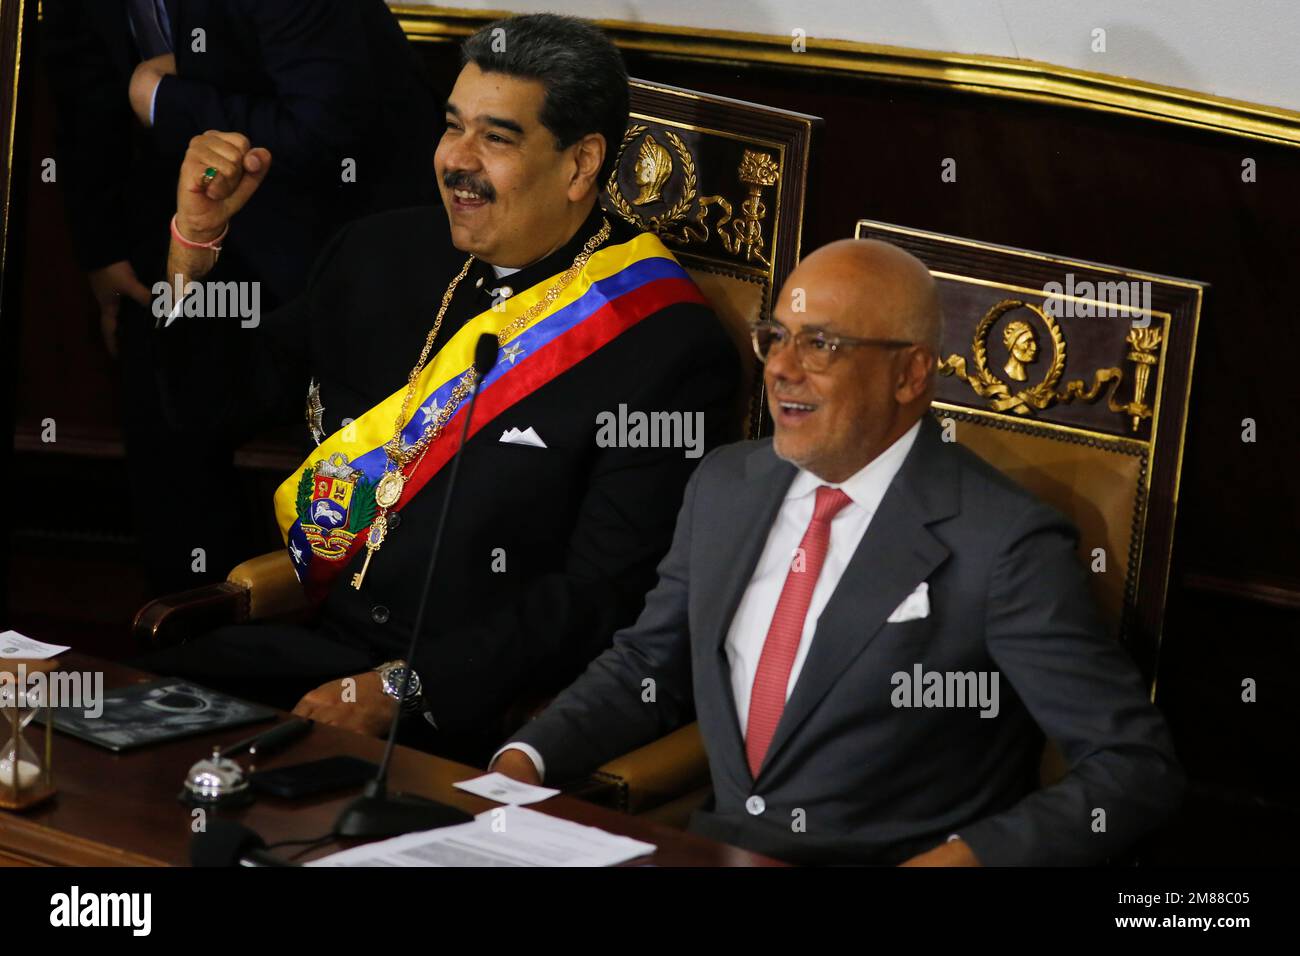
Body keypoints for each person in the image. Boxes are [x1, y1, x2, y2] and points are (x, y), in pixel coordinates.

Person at [137, 14, 741, 766]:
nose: (456, 161)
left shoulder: (665, 349)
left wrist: (401, 687)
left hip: (470, 710)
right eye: (451, 126)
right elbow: (204, 411)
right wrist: (193, 244)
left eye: (496, 138)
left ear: (581, 164)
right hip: (310, 655)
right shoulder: (379, 253)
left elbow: (595, 599)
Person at [493, 238, 1185, 865]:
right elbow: (649, 665)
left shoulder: (1003, 542)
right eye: (776, 338)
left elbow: (1132, 767)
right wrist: (528, 757)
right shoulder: (725, 485)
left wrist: (966, 861)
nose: (783, 370)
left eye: (821, 344)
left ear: (910, 375)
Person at [42, 0, 439, 592]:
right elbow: (82, 87)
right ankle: (188, 638)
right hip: (193, 223)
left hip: (344, 231)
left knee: (346, 477)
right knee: (165, 406)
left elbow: (324, 126)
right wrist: (101, 252)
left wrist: (157, 96)